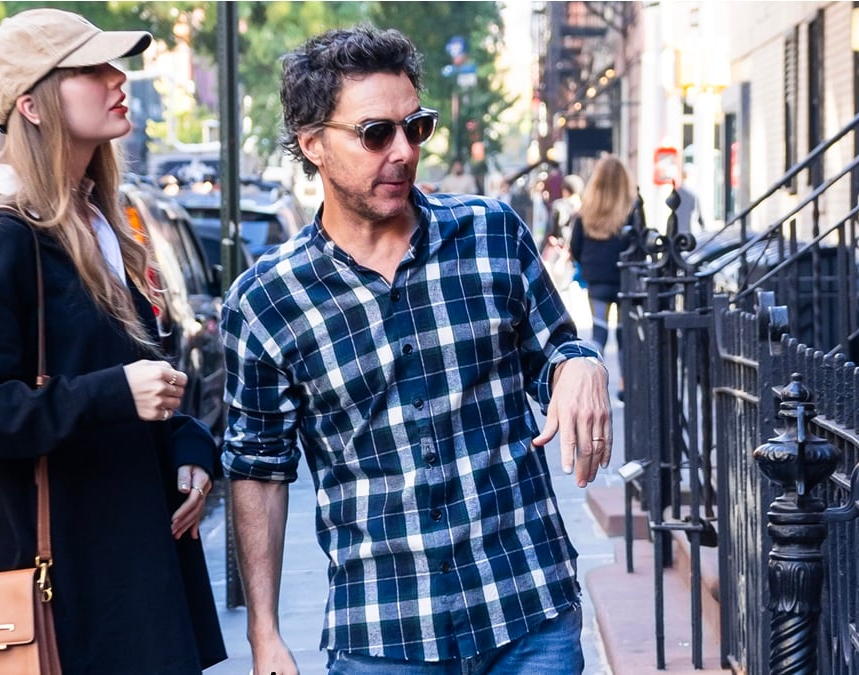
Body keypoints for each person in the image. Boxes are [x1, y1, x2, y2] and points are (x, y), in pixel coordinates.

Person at [221, 25, 612, 675]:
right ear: (313, 143)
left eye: (416, 127)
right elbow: (258, 469)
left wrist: (584, 362)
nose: (402, 151)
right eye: (376, 133)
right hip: (384, 632)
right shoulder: (267, 300)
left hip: (527, 609)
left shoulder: (490, 234)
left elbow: (559, 348)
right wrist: (264, 632)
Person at [0, 9, 226, 673]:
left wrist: (191, 445)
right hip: (76, 602)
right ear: (31, 104)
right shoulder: (7, 236)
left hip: (136, 573)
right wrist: (108, 394)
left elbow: (142, 378)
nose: (119, 79)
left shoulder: (99, 224)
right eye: (90, 70)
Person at [568, 155, 634, 397]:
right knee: (625, 332)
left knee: (599, 332)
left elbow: (575, 245)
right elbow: (637, 243)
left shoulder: (587, 209)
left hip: (596, 279)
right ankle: (625, 384)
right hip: (624, 278)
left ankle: (596, 387)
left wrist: (585, 265)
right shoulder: (631, 207)